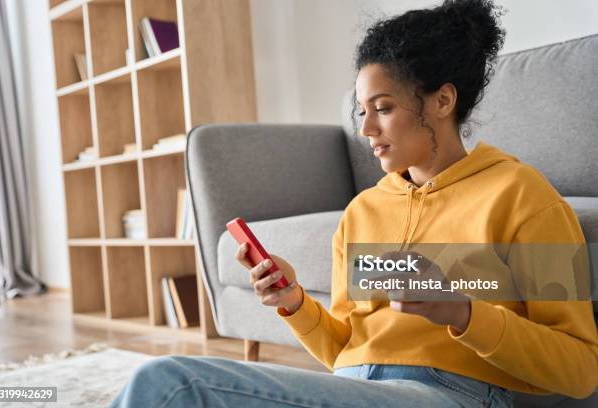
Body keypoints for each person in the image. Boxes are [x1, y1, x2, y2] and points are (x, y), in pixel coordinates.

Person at [110, 0, 598, 407]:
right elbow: (346, 349)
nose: (366, 130)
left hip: (454, 394)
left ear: (443, 102)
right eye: (361, 112)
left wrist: (464, 312)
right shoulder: (363, 212)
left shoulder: (522, 197)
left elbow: (579, 369)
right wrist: (294, 303)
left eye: (383, 109)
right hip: (354, 388)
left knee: (172, 385)